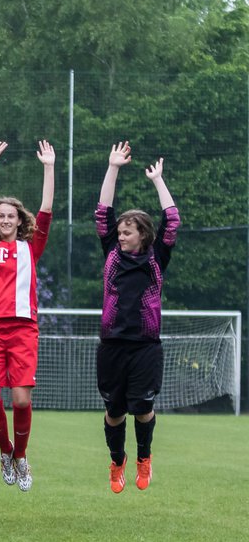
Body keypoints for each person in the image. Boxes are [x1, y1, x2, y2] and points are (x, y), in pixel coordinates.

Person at [0, 140, 55, 491]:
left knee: (21, 399)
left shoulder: (30, 247)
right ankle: (4, 452)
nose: (6, 219)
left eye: (11, 216)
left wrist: (48, 167)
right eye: (1, 215)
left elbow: (47, 208)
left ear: (20, 221)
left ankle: (21, 456)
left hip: (23, 330)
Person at [95, 142, 180, 493]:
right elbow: (103, 212)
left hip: (146, 346)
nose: (120, 234)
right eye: (120, 231)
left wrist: (158, 180)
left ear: (142, 234)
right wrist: (113, 167)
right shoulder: (112, 253)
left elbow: (172, 220)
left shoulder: (157, 257)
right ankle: (118, 461)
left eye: (127, 231)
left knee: (143, 407)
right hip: (112, 344)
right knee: (115, 412)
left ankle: (145, 457)